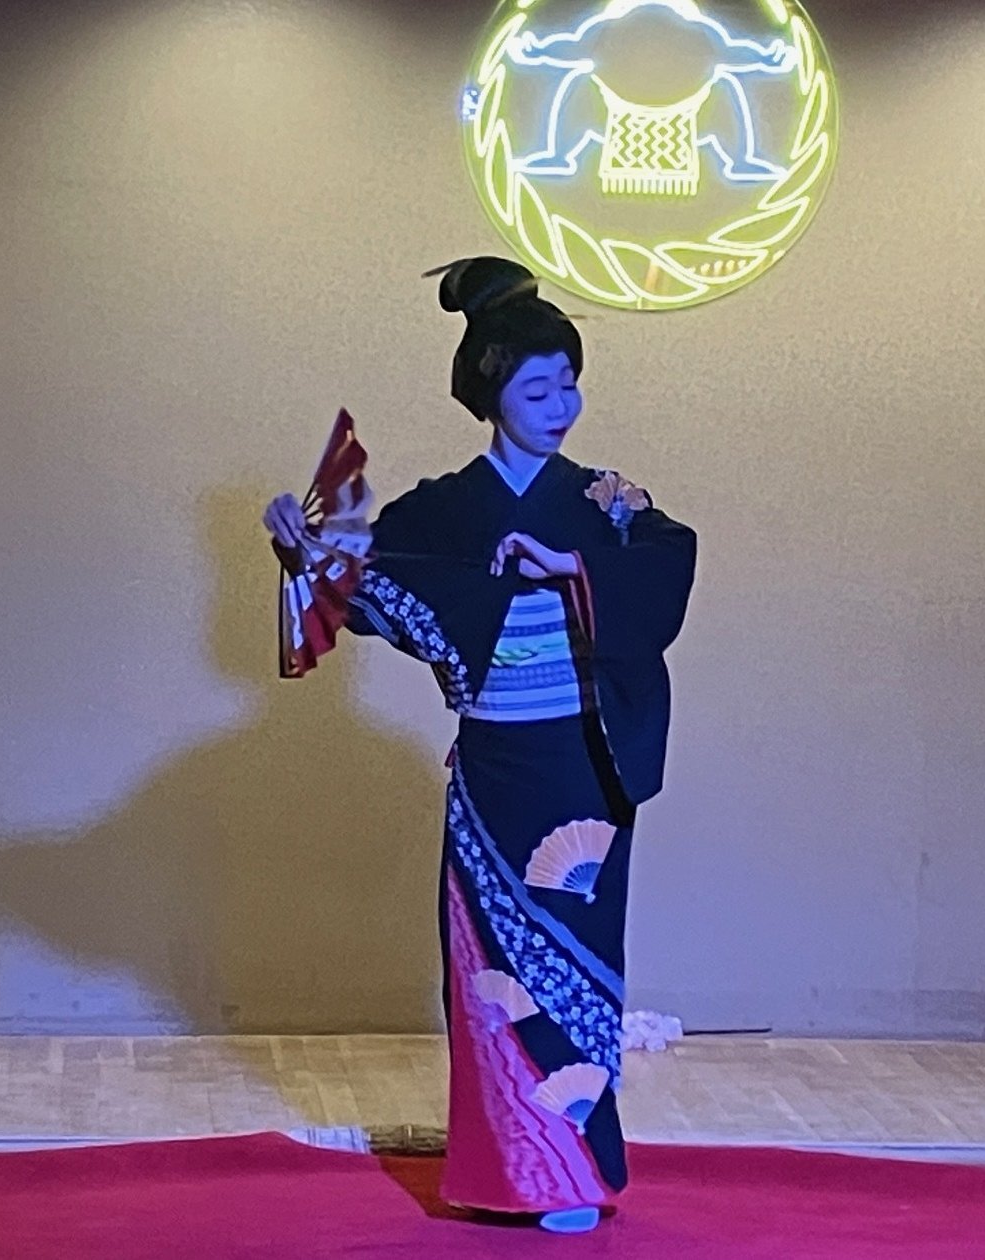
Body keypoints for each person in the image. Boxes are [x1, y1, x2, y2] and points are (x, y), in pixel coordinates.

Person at [262, 256, 696, 1234]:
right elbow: (364, 588)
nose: (563, 406)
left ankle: (574, 1172)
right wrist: (303, 552)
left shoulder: (607, 501)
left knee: (577, 971)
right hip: (493, 770)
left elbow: (667, 567)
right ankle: (510, 1169)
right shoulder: (442, 512)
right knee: (491, 982)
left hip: (581, 768)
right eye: (538, 388)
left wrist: (571, 562)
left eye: (570, 384)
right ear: (490, 396)